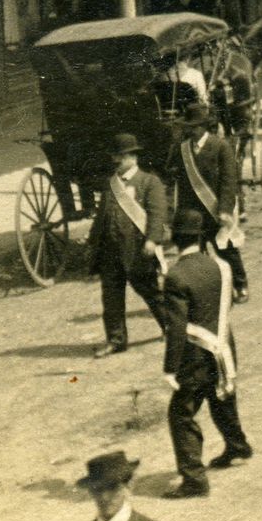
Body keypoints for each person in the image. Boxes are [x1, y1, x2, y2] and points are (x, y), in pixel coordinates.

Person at [158, 208, 252, 497]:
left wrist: (170, 368)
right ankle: (237, 446)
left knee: (181, 413)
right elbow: (227, 304)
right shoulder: (220, 266)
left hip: (195, 354)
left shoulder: (176, 276)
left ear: (174, 238)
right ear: (199, 237)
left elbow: (176, 328)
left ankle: (194, 480)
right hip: (223, 344)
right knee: (221, 396)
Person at [93, 133, 172, 357]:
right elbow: (102, 216)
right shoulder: (111, 184)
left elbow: (157, 214)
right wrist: (94, 244)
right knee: (111, 298)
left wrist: (152, 239)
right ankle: (116, 340)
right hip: (110, 251)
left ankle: (171, 327)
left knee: (150, 291)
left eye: (121, 156)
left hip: (137, 249)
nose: (116, 160)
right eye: (115, 156)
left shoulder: (149, 181)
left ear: (133, 157)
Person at [168, 101, 248, 304]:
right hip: (191, 212)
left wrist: (225, 209)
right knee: (195, 254)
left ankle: (240, 284)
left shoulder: (221, 146)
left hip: (215, 208)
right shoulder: (182, 149)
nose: (191, 131)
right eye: (189, 127)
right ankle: (202, 292)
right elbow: (172, 174)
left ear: (204, 126)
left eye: (195, 127)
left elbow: (229, 181)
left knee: (225, 248)